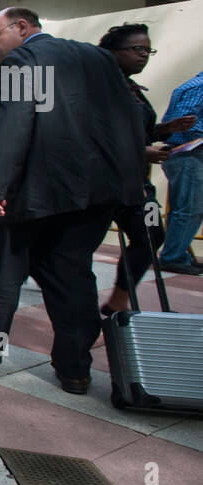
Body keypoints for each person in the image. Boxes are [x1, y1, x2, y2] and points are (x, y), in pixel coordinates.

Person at [0, 7, 143, 394]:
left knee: (4, 268)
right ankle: (74, 369)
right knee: (72, 276)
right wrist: (130, 187)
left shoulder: (25, 59)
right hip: (92, 196)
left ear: (21, 27)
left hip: (31, 194)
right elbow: (128, 120)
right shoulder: (100, 59)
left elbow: (11, 122)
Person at [97, 24, 197, 309]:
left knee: (152, 235)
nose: (144, 56)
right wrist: (141, 152)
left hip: (136, 184)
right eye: (137, 49)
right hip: (105, 182)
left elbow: (138, 131)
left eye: (148, 50)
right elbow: (95, 136)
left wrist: (167, 129)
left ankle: (118, 302)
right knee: (77, 245)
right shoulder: (102, 87)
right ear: (114, 52)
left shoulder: (132, 88)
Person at [157, 68, 203, 275]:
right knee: (187, 208)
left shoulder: (194, 85)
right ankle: (173, 256)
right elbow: (185, 122)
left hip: (187, 155)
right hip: (189, 153)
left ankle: (178, 254)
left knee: (189, 208)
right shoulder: (199, 87)